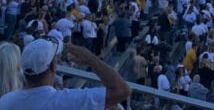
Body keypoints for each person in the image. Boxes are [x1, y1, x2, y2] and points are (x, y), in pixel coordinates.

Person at [0, 37, 130, 110]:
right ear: (52, 67)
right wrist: (92, 59)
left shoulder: (5, 101)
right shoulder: (68, 101)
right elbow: (122, 90)